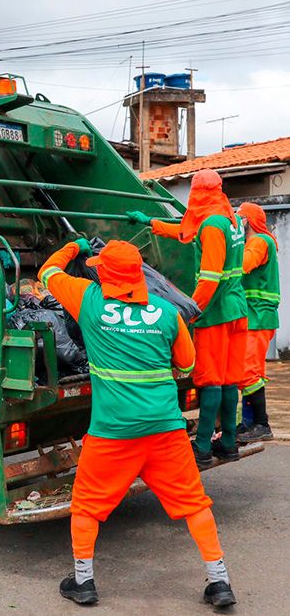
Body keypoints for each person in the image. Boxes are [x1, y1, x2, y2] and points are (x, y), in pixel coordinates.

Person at [39, 238, 236, 607]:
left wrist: (73, 246)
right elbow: (188, 365)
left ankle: (83, 582)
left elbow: (47, 272)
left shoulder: (89, 300)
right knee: (194, 503)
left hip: (113, 433)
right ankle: (220, 582)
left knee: (86, 504)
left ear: (104, 274)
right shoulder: (166, 313)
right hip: (165, 429)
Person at [127, 169, 247, 467]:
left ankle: (203, 447)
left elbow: (209, 278)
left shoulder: (212, 226)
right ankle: (229, 443)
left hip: (216, 312)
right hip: (236, 310)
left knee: (210, 380)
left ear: (198, 193)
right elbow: (186, 231)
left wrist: (192, 312)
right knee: (229, 379)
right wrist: (151, 224)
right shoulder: (228, 218)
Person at [236, 202, 281, 442]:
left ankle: (261, 425)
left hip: (258, 316)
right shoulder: (260, 241)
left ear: (248, 220)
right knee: (252, 371)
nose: (237, 222)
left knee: (247, 372)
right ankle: (249, 423)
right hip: (256, 316)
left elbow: (242, 265)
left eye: (240, 218)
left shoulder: (258, 242)